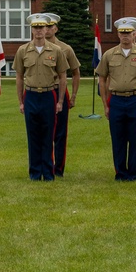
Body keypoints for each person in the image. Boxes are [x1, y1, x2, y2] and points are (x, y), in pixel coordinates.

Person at [96, 16, 136, 180]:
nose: (125, 36)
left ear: (135, 33)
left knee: (135, 139)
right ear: (118, 34)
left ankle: (134, 173)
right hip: (116, 100)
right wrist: (105, 105)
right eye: (122, 33)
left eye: (128, 32)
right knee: (118, 138)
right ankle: (120, 172)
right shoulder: (109, 55)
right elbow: (102, 79)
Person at [15, 14, 67, 180]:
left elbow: (63, 76)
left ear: (47, 29)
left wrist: (60, 101)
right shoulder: (23, 50)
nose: (38, 31)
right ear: (31, 29)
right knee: (33, 136)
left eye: (41, 27)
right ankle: (35, 173)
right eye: (35, 28)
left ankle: (48, 172)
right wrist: (20, 102)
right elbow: (19, 77)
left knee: (48, 135)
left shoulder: (56, 51)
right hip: (30, 95)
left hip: (48, 95)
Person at [44, 13, 80, 177]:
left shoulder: (65, 49)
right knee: (44, 131)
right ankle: (45, 165)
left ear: (56, 28)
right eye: (46, 26)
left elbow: (75, 72)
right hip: (42, 91)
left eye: (51, 26)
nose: (48, 29)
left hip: (59, 91)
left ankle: (58, 168)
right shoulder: (34, 47)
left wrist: (73, 95)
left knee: (60, 132)